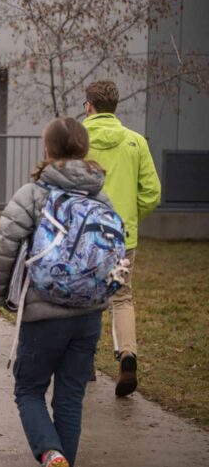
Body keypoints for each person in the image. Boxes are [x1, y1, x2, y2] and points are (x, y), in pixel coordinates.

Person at [0, 117, 112, 467]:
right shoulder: (101, 196)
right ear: (84, 149)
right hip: (89, 313)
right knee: (70, 398)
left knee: (28, 389)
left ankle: (50, 454)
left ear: (48, 148)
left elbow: (4, 249)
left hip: (43, 313)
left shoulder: (33, 194)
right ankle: (61, 459)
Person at [82, 80, 161, 397]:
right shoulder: (136, 142)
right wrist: (129, 217)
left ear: (89, 106)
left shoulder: (77, 140)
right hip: (122, 237)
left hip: (85, 236)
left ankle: (84, 363)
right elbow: (152, 193)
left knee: (86, 297)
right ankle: (127, 354)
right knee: (122, 297)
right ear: (115, 106)